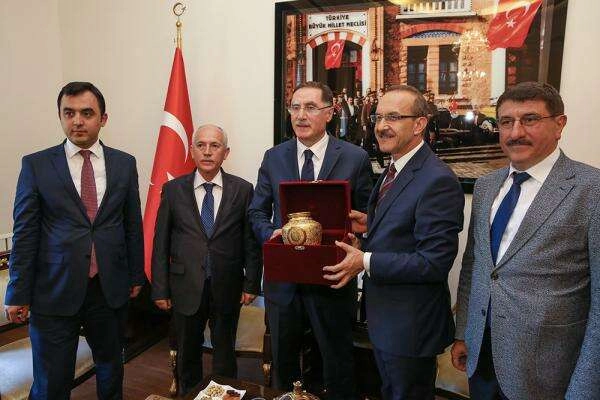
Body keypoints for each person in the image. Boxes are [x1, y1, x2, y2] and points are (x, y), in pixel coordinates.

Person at [451, 81, 600, 399]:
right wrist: (464, 332)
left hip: (547, 371)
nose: (515, 132)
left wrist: (585, 388)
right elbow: (475, 265)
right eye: (506, 122)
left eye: (530, 119)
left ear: (559, 124)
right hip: (482, 358)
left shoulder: (592, 190)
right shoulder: (486, 186)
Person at [4, 81, 144, 399]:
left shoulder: (124, 164)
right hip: (53, 290)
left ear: (103, 119)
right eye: (69, 113)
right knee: (52, 382)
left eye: (86, 113)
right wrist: (17, 291)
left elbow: (131, 224)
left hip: (108, 288)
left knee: (111, 369)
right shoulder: (36, 165)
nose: (77, 121)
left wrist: (136, 275)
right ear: (60, 116)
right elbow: (25, 231)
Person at [323, 84, 464, 400]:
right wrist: (370, 226)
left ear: (419, 124)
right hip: (387, 322)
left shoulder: (437, 179)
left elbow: (433, 262)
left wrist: (364, 260)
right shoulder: (396, 168)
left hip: (410, 328)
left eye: (394, 117)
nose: (381, 126)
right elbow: (404, 231)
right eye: (378, 117)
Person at [248, 81, 373, 399]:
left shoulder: (355, 158)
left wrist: (359, 240)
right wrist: (270, 233)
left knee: (336, 364)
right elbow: (257, 212)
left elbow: (368, 219)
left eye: (310, 107)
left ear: (330, 113)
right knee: (284, 366)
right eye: (295, 107)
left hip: (332, 280)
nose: (300, 115)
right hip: (284, 284)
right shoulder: (273, 157)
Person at [151, 124, 262, 395]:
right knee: (188, 352)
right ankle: (190, 394)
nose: (207, 151)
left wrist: (250, 284)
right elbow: (160, 242)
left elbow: (250, 241)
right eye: (201, 145)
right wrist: (160, 288)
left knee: (224, 353)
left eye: (215, 145)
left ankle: (226, 396)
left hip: (227, 285)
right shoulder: (173, 190)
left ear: (226, 152)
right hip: (185, 285)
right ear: (192, 151)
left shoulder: (243, 189)